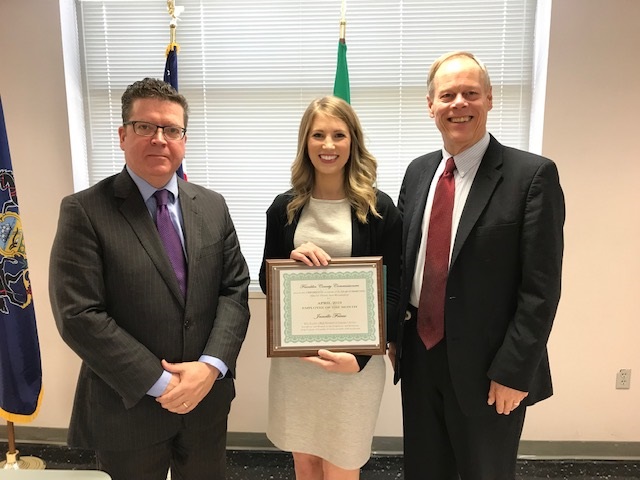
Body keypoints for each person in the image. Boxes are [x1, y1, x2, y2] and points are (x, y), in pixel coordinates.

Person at [49, 77, 251, 480]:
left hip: (205, 400)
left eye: (171, 129)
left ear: (183, 139)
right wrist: (162, 383)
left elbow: (234, 291)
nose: (160, 139)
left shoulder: (212, 206)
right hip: (129, 406)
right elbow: (79, 314)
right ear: (123, 135)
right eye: (146, 127)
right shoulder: (85, 211)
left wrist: (209, 369)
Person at [390, 51, 565, 479]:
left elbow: (540, 289)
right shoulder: (418, 172)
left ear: (489, 98)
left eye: (470, 93)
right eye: (447, 95)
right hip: (419, 357)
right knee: (425, 470)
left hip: (491, 369)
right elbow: (402, 261)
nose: (459, 104)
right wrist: (393, 334)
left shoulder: (532, 176)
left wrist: (514, 371)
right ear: (430, 105)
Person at [258, 96, 401, 480]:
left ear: (352, 141)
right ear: (306, 142)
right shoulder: (283, 208)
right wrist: (291, 258)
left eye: (338, 135)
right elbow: (266, 282)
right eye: (318, 134)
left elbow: (393, 290)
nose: (328, 145)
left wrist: (360, 357)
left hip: (353, 368)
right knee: (305, 464)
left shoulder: (379, 209)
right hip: (298, 365)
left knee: (341, 464)